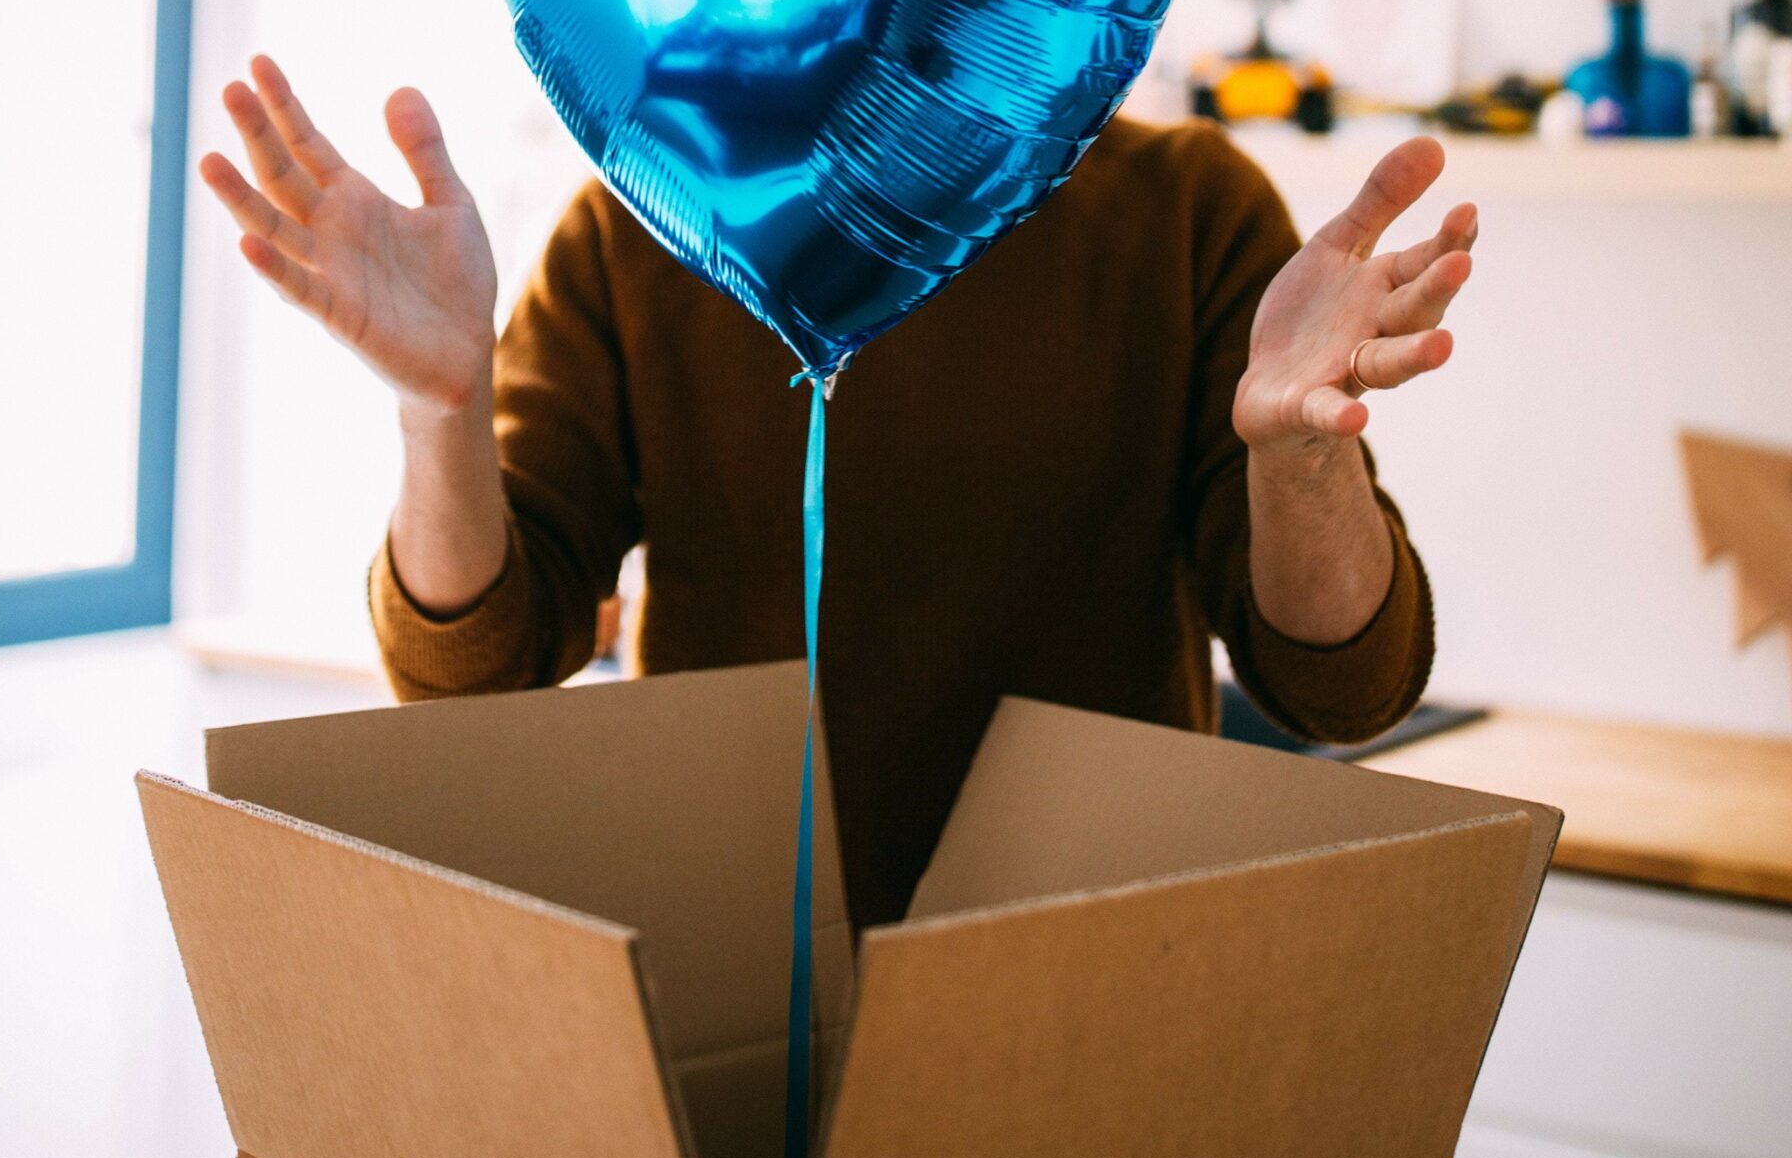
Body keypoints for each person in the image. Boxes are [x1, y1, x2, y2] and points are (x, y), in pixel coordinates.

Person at [200, 54, 1474, 928]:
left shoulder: (1186, 209)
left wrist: (1302, 454)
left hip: (1095, 983)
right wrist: (441, 409)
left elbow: (1341, 687)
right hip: (729, 991)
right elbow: (468, 666)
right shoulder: (646, 225)